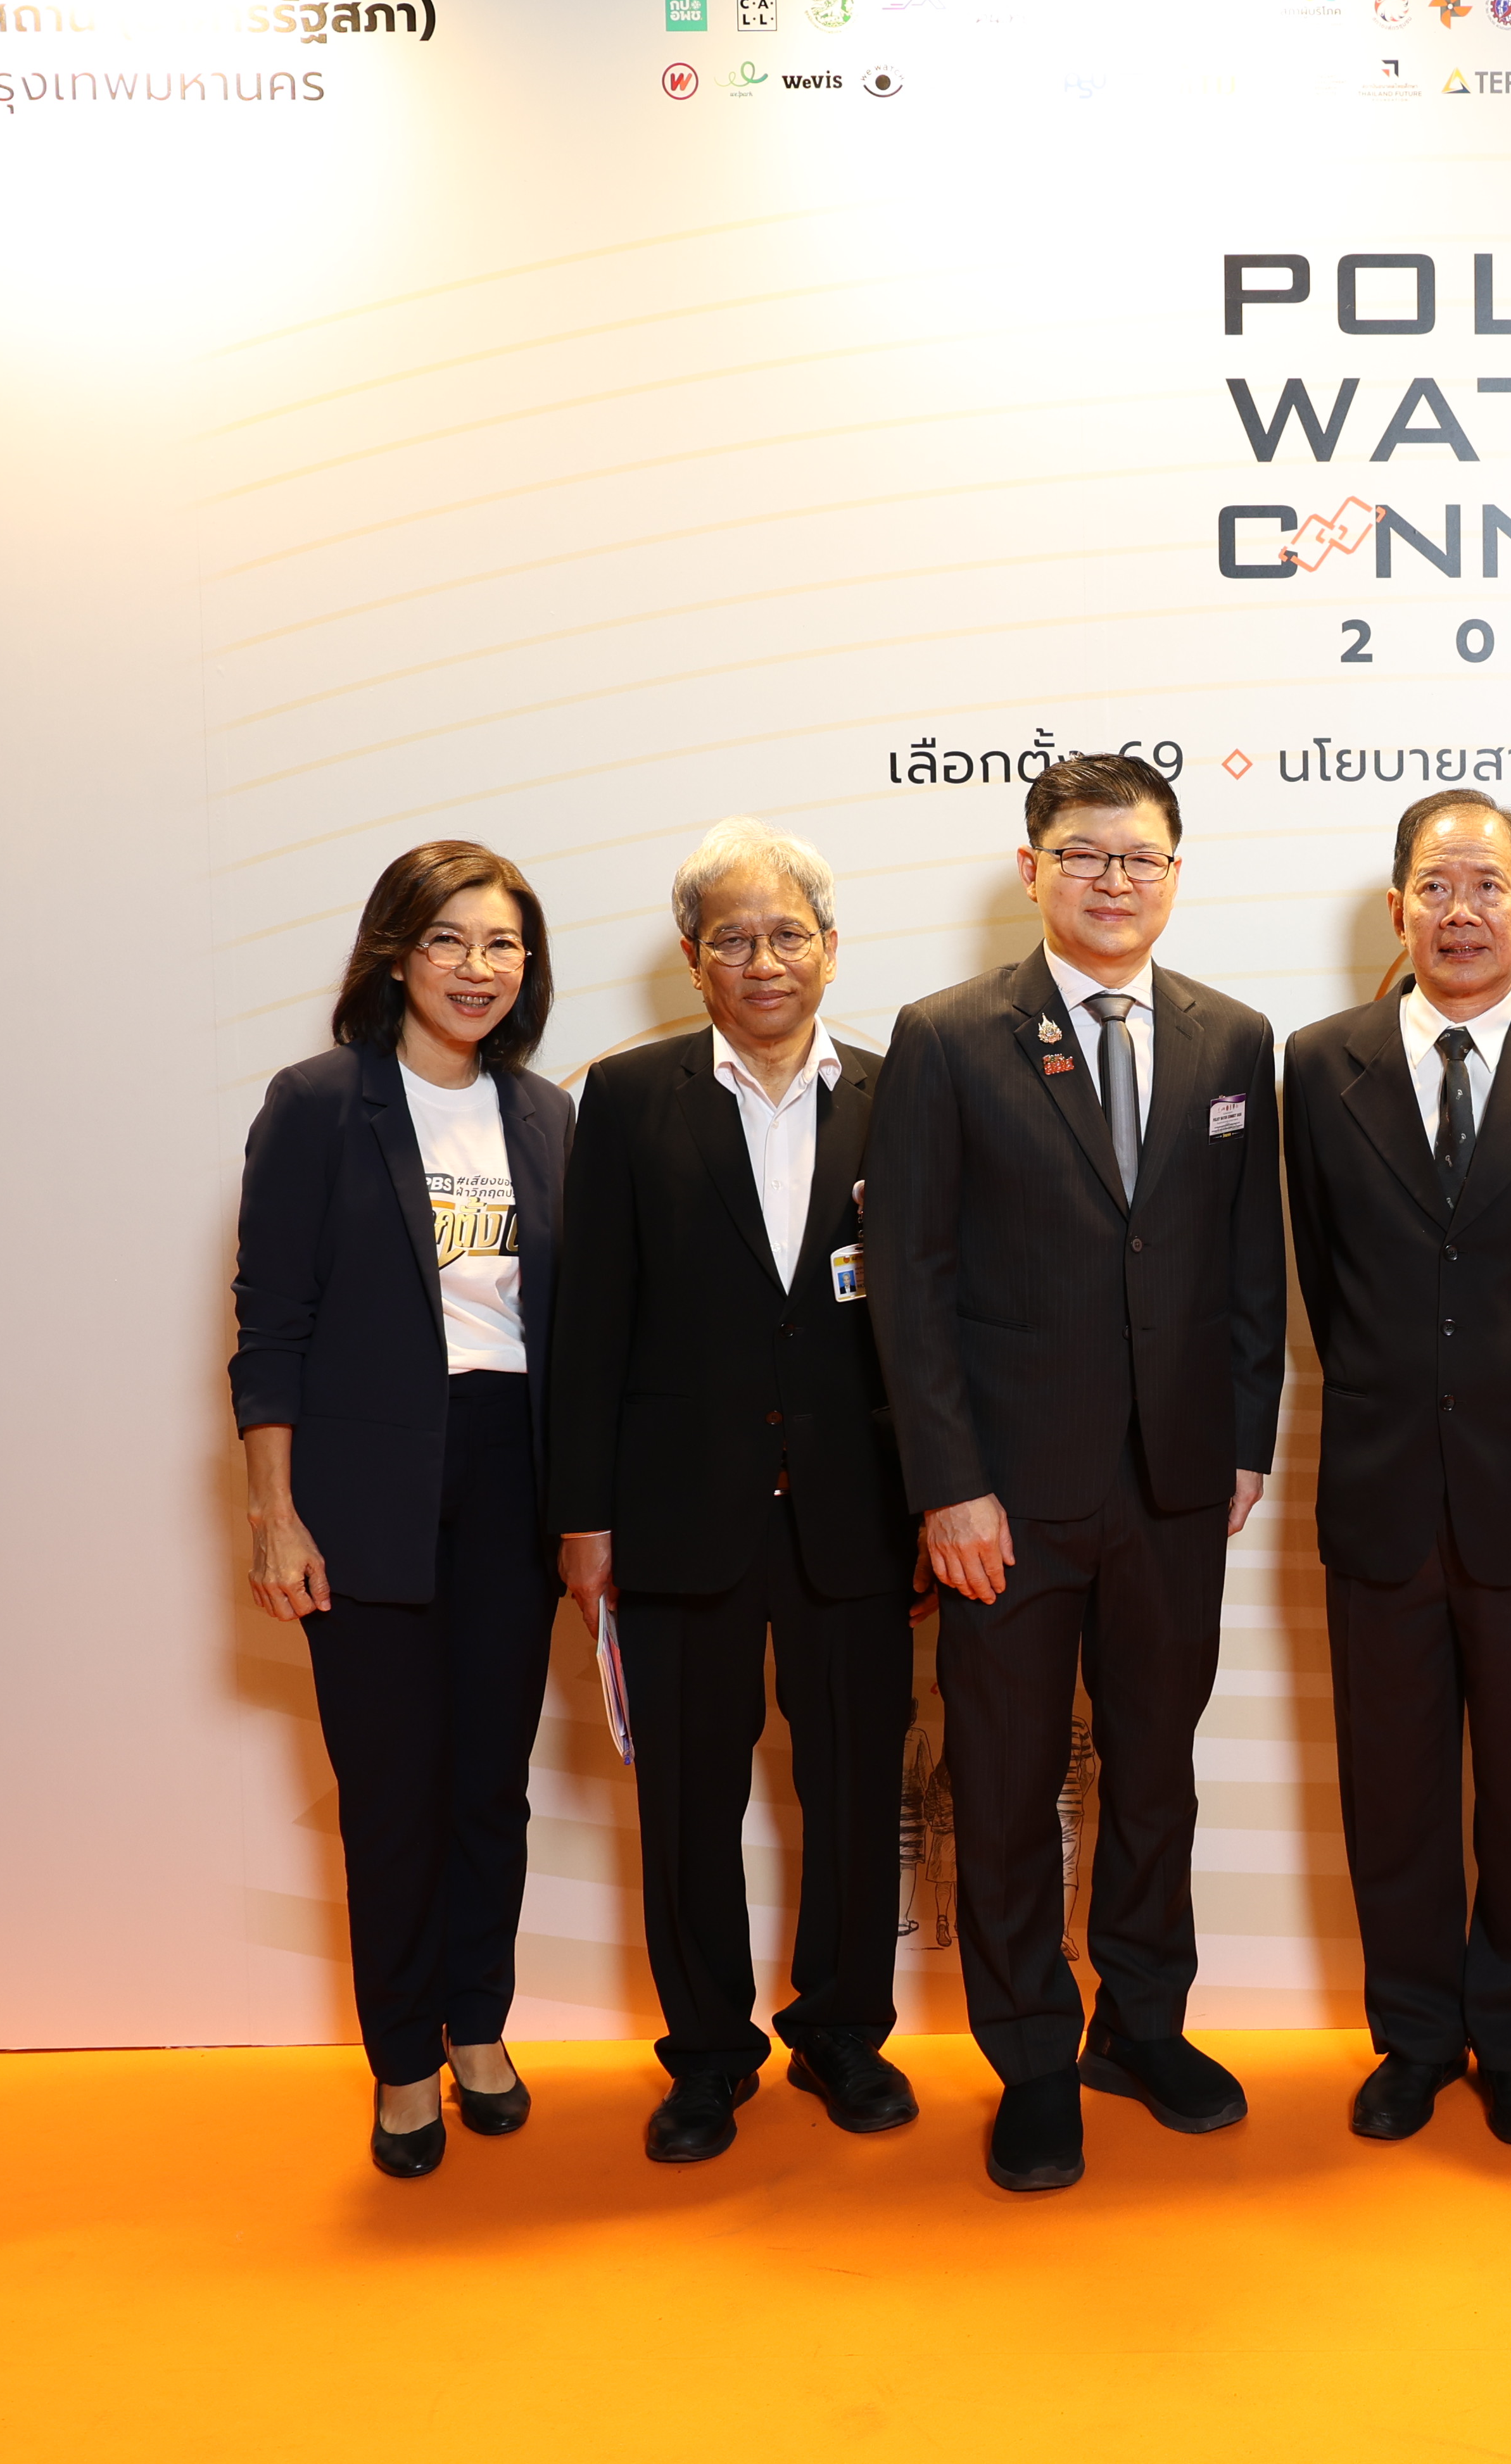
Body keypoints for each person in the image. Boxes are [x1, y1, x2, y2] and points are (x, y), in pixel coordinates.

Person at [863, 754, 1287, 2193]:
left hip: (1176, 1483)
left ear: (1176, 873)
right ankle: (1035, 2058)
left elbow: (1249, 1262)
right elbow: (910, 1279)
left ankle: (1142, 2026)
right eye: (1087, 854)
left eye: (1141, 856)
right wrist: (947, 1484)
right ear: (1032, 867)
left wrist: (1243, 1440)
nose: (1116, 879)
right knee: (1004, 1781)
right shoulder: (948, 1035)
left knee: (1156, 1770)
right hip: (1004, 1494)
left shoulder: (1234, 1038)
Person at [549, 819, 924, 2165]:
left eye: (787, 935)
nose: (763, 960)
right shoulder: (627, 1097)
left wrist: (938, 1498)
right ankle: (706, 2056)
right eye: (732, 939)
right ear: (692, 957)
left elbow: (934, 1319)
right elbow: (590, 1320)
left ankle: (843, 2033)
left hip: (857, 1515)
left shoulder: (900, 1092)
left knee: (854, 1789)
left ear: (831, 947)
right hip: (676, 1514)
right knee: (688, 1804)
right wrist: (582, 1515)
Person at [1280, 791, 1511, 2148]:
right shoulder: (1318, 1065)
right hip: (1379, 1481)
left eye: (1488, 885)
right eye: (1435, 886)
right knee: (1392, 1784)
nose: (1461, 911)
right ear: (1397, 909)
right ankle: (1416, 2035)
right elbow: (1324, 1271)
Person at [231, 841, 569, 2178]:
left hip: (512, 1476)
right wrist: (276, 1511)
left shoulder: (546, 1116)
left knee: (492, 1784)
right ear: (395, 953)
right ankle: (404, 2061)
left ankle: (478, 2024)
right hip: (367, 1486)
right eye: (448, 940)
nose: (477, 969)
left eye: (502, 944)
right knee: (391, 1793)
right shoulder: (320, 1103)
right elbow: (273, 1325)